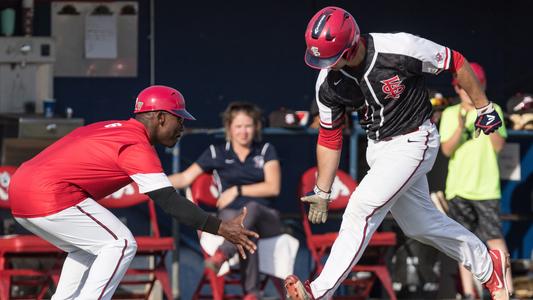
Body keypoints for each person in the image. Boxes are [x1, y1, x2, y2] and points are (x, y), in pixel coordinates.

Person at [284, 6, 511, 300]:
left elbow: (454, 61)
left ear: (352, 45)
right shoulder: (327, 82)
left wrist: (483, 106)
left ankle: (318, 292)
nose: (326, 64)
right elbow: (330, 134)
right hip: (380, 150)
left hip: (414, 139)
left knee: (360, 208)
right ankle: (487, 266)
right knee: (419, 224)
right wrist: (323, 190)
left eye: (332, 56)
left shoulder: (400, 48)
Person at [7, 85, 258, 300]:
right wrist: (222, 228)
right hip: (49, 194)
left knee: (85, 248)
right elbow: (170, 202)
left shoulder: (112, 128)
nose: (181, 127)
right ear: (160, 117)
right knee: (122, 243)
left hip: (20, 190)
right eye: (178, 119)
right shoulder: (136, 145)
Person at [168, 101, 283, 300]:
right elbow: (185, 178)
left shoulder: (265, 149)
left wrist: (237, 190)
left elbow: (273, 187)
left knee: (252, 209)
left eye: (248, 126)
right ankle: (252, 294)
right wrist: (148, 182)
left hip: (267, 218)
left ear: (255, 127)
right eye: (238, 126)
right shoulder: (217, 152)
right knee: (245, 232)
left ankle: (222, 255)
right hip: (233, 218)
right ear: (229, 127)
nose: (243, 131)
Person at [440, 63, 513, 299]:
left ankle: (506, 291)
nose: (466, 91)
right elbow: (447, 150)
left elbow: (499, 146)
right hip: (458, 189)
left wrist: (485, 115)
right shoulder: (451, 114)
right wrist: (461, 126)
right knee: (463, 244)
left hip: (486, 188)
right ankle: (470, 293)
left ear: (482, 86)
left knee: (494, 240)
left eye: (472, 86)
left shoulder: (495, 110)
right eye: (461, 87)